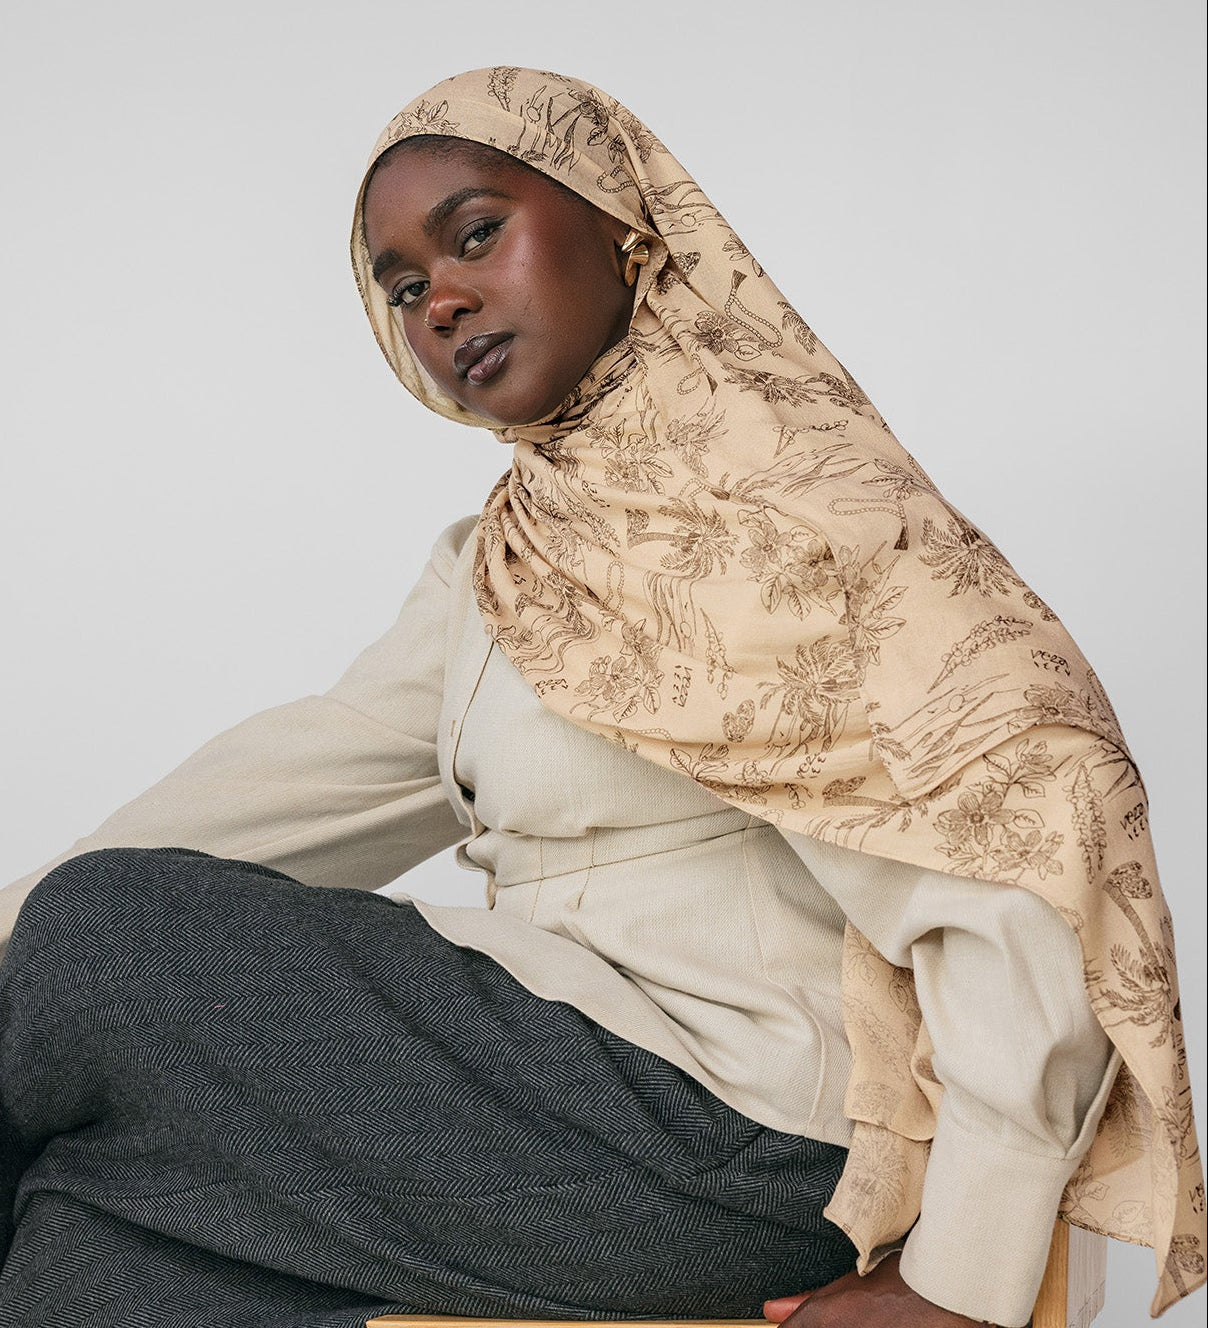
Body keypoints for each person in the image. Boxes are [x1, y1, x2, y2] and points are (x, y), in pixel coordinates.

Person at [0, 67, 1203, 1328]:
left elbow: (1014, 853)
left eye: (476, 235)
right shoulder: (503, 566)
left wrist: (961, 1275)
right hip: (543, 1101)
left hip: (744, 1138)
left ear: (626, 228)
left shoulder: (795, 505)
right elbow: (283, 786)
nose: (441, 301)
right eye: (404, 287)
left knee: (101, 934)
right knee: (87, 1243)